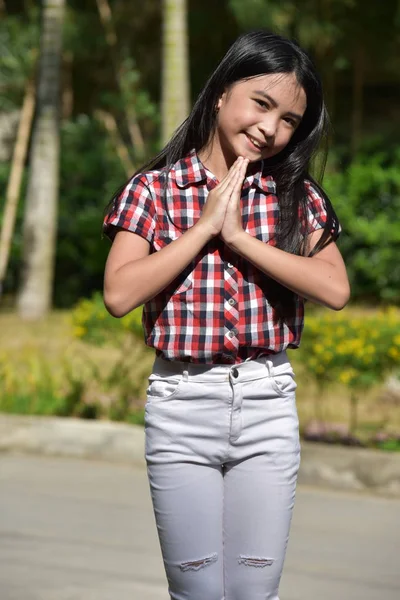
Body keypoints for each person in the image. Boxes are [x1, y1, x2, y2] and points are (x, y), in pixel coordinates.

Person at [103, 30, 350, 600]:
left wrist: (238, 237)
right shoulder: (155, 190)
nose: (270, 128)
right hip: (181, 409)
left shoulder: (296, 195)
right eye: (261, 103)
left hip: (267, 406)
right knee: (197, 596)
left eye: (289, 119)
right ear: (220, 93)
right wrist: (204, 228)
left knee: (253, 595)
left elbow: (334, 288)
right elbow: (119, 294)